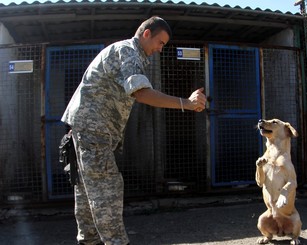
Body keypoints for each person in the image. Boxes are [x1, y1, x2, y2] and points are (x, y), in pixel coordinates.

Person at [61, 16, 206, 245]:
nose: (160, 49)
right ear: (147, 33)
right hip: (93, 129)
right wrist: (186, 103)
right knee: (107, 189)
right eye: (160, 42)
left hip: (86, 129)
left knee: (88, 191)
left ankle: (88, 240)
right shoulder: (128, 51)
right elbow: (142, 93)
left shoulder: (127, 52)